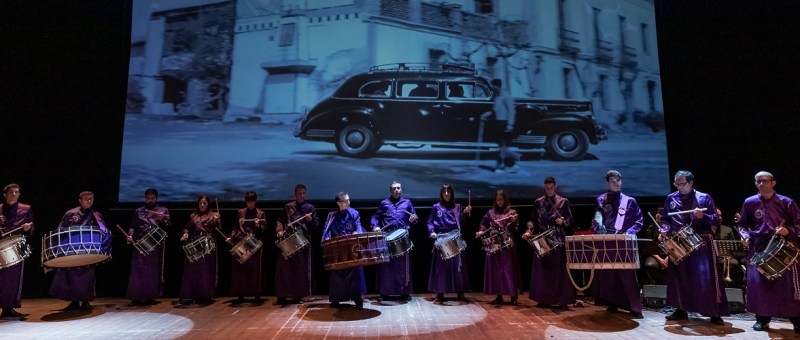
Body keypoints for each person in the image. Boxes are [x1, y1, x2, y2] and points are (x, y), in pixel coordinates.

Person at [658, 170, 728, 325]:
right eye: (676, 184)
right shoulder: (671, 198)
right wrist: (663, 230)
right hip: (679, 242)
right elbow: (666, 220)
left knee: (705, 278)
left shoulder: (704, 198)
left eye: (682, 183)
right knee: (680, 277)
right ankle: (681, 310)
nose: (679, 187)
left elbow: (716, 220)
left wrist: (703, 216)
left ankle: (714, 313)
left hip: (701, 242)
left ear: (691, 183)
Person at [737, 171, 800, 333]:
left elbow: (799, 225)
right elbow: (742, 225)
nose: (762, 184)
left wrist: (788, 231)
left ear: (773, 183)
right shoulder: (749, 202)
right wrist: (744, 236)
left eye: (765, 181)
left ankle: (796, 320)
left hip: (783, 246)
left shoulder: (787, 202)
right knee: (760, 286)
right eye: (758, 181)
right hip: (758, 246)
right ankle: (762, 319)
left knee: (788, 286)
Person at [590, 170, 644, 318]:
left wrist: (629, 232)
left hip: (623, 242)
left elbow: (639, 221)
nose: (616, 183)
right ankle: (613, 302)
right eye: (613, 181)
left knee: (627, 275)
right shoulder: (601, 199)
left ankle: (634, 306)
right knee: (609, 275)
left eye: (618, 181)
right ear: (607, 183)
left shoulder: (630, 201)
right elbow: (597, 217)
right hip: (607, 242)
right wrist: (597, 225)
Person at [50, 191, 111, 311]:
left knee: (88, 276)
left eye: (91, 199)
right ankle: (74, 301)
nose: (89, 201)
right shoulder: (71, 213)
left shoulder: (96, 215)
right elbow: (60, 229)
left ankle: (86, 301)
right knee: (71, 275)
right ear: (80, 200)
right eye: (86, 199)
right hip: (72, 249)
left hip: (89, 250)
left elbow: (103, 230)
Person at [522, 177, 575, 309]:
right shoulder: (538, 202)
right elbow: (532, 220)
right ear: (544, 187)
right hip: (542, 237)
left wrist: (562, 222)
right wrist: (529, 230)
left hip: (557, 237)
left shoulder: (563, 201)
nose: (549, 190)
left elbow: (569, 221)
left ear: (555, 186)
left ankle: (562, 301)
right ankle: (543, 298)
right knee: (542, 270)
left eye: (551, 188)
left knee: (559, 270)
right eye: (547, 188)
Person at [371, 181, 418, 301]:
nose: (396, 190)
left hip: (402, 236)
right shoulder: (384, 203)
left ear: (401, 190)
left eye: (398, 188)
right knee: (387, 266)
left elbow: (414, 217)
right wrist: (375, 226)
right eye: (394, 188)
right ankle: (385, 292)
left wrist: (413, 219)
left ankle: (404, 292)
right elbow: (375, 217)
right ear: (390, 190)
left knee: (403, 266)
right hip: (387, 236)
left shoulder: (407, 202)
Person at [427, 184, 472, 303]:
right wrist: (431, 232)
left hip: (454, 237)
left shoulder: (457, 207)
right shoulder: (436, 207)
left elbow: (461, 222)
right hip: (441, 237)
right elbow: (430, 222)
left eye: (448, 192)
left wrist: (465, 213)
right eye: (444, 192)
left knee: (458, 267)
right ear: (441, 194)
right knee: (441, 268)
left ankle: (460, 292)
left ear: (451, 193)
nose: (446, 194)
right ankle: (440, 292)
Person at [476, 189, 522, 305]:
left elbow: (515, 228)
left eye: (501, 200)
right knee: (496, 272)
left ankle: (513, 297)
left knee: (509, 271)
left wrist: (513, 222)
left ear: (505, 200)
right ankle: (499, 296)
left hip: (507, 247)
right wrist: (480, 231)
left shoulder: (511, 212)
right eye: (498, 200)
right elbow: (483, 224)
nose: (500, 202)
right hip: (494, 245)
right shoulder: (490, 213)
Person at [125, 188, 170, 307]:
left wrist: (164, 219)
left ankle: (150, 297)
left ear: (156, 198)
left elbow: (168, 225)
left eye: (152, 198)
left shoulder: (163, 210)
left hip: (154, 244)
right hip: (140, 243)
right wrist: (130, 235)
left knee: (152, 271)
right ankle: (136, 297)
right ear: (145, 198)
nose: (150, 200)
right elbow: (133, 226)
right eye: (148, 198)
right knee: (138, 270)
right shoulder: (139, 211)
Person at [275, 184, 318, 305]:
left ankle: (298, 295)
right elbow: (280, 221)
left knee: (299, 270)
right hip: (289, 239)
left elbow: (315, 226)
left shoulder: (310, 208)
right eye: (300, 193)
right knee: (285, 269)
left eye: (304, 193)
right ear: (295, 194)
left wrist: (310, 221)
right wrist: (279, 231)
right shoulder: (288, 207)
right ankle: (282, 295)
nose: (302, 195)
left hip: (302, 242)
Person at [322, 192, 366, 309]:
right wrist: (327, 238)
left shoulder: (354, 213)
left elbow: (358, 227)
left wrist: (356, 233)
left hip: (351, 247)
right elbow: (327, 230)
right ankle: (336, 299)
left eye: (348, 200)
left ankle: (358, 299)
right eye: (345, 201)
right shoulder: (332, 215)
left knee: (354, 273)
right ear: (339, 203)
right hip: (337, 248)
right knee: (337, 273)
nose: (348, 202)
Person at [178, 195, 220, 306]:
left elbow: (218, 228)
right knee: (192, 271)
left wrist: (216, 221)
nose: (202, 205)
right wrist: (185, 234)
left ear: (208, 204)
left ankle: (205, 296)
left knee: (205, 272)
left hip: (207, 246)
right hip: (194, 245)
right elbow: (187, 228)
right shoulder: (193, 216)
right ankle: (190, 295)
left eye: (205, 203)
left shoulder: (213, 215)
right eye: (201, 203)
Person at [0, 184, 34, 318]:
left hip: (16, 245)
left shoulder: (26, 209)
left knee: (14, 278)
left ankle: (9, 307)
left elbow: (32, 227)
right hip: (1, 244)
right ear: (5, 194)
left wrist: (28, 228)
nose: (14, 194)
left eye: (16, 192)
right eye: (11, 192)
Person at [227, 191, 265, 304]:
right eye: (248, 202)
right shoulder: (240, 213)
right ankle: (241, 294)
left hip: (254, 243)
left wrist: (258, 226)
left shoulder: (260, 213)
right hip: (242, 242)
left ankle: (256, 294)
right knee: (241, 270)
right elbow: (235, 228)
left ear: (255, 201)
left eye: (252, 202)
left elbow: (264, 229)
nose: (250, 204)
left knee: (254, 271)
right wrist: (231, 237)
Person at [480, 78, 520, 173]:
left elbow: (511, 111)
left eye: (493, 86)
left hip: (505, 123)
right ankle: (510, 165)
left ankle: (503, 165)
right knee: (502, 146)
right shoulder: (496, 97)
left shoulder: (506, 96)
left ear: (498, 86)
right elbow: (494, 110)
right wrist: (486, 115)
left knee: (503, 146)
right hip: (498, 123)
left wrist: (510, 124)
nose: (492, 88)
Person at [712, 208, 743, 287]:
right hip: (710, 257)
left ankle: (735, 286)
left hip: (724, 258)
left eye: (720, 216)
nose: (719, 217)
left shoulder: (727, 230)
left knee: (735, 263)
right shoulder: (705, 229)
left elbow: (734, 247)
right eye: (717, 215)